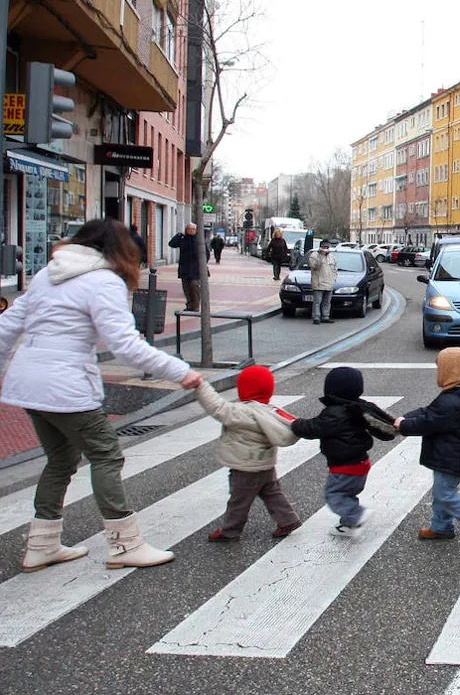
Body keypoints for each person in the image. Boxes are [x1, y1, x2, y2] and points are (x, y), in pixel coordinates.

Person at [0, 219, 201, 571]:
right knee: (107, 455)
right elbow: (126, 347)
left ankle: (42, 544)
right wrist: (180, 371)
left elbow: (6, 326)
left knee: (61, 461)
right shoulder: (103, 281)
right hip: (66, 387)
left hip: (27, 384)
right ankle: (125, 545)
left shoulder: (48, 274)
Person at [393, 348, 460, 545]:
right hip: (453, 451)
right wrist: (406, 416)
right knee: (442, 492)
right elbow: (428, 411)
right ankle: (441, 526)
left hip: (449, 453)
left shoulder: (449, 401)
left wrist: (403, 425)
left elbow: (429, 421)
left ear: (449, 371)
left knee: (444, 494)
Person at [197, 366, 303, 542]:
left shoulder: (243, 412)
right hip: (266, 464)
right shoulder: (269, 410)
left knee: (238, 500)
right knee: (272, 492)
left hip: (246, 466)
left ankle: (230, 531)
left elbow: (217, 407)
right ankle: (288, 520)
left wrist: (200, 387)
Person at [291, 367, 391, 536]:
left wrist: (296, 424)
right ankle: (347, 525)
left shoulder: (335, 412)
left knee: (334, 495)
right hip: (360, 462)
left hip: (345, 465)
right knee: (347, 494)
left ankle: (356, 515)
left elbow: (314, 428)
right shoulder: (357, 408)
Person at [168, 223, 209, 312]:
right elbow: (171, 244)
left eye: (192, 229)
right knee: (186, 288)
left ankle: (196, 305)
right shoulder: (183, 239)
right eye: (188, 229)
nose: (190, 231)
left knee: (194, 285)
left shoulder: (199, 240)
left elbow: (206, 254)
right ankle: (189, 305)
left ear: (195, 230)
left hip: (196, 268)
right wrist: (179, 235)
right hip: (185, 268)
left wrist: (203, 264)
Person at [309, 240, 338, 324]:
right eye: (324, 247)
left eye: (327, 247)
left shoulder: (332, 257)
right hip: (318, 282)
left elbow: (335, 269)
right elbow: (315, 266)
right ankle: (316, 316)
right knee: (317, 301)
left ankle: (326, 316)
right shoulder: (314, 255)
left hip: (329, 283)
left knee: (327, 302)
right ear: (320, 247)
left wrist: (334, 279)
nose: (326, 249)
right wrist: (321, 256)